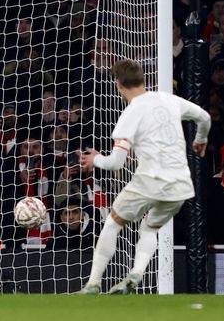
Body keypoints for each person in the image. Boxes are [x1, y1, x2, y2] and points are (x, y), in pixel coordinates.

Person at [78, 59, 211, 294]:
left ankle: (93, 284)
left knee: (113, 223)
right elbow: (205, 118)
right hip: (180, 185)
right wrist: (201, 139)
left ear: (118, 83)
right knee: (149, 228)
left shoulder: (131, 113)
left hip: (150, 180)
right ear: (143, 79)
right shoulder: (169, 99)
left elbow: (115, 163)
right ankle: (136, 274)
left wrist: (95, 159)